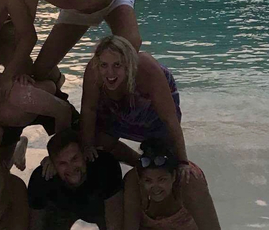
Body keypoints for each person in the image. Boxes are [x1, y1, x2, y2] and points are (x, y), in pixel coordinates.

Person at [81, 36, 193, 180]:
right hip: (115, 105)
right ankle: (138, 163)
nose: (110, 73)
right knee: (99, 146)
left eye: (117, 65)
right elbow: (88, 109)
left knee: (164, 161)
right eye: (104, 65)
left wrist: (183, 162)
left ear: (128, 65)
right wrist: (87, 146)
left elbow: (169, 118)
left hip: (150, 106)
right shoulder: (93, 71)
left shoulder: (146, 70)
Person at [0, 64, 78, 169]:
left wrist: (58, 154)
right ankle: (18, 148)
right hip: (7, 123)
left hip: (39, 111)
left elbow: (62, 109)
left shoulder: (20, 95)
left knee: (75, 155)